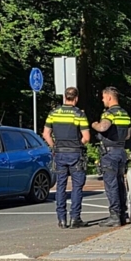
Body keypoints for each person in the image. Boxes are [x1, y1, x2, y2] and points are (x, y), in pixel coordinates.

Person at [43, 87, 90, 229]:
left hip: (60, 153)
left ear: (64, 97)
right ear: (76, 98)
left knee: (61, 187)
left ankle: (61, 219)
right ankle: (75, 218)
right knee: (77, 187)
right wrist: (77, 145)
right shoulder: (79, 114)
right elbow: (86, 137)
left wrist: (54, 146)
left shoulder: (53, 113)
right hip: (75, 153)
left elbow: (46, 134)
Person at [91, 86, 131, 227]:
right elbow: (128, 135)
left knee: (111, 185)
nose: (102, 100)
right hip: (121, 151)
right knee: (120, 183)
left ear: (109, 97)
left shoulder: (109, 114)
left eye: (103, 97)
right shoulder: (125, 114)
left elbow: (103, 128)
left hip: (110, 153)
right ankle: (122, 213)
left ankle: (114, 216)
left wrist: (94, 124)